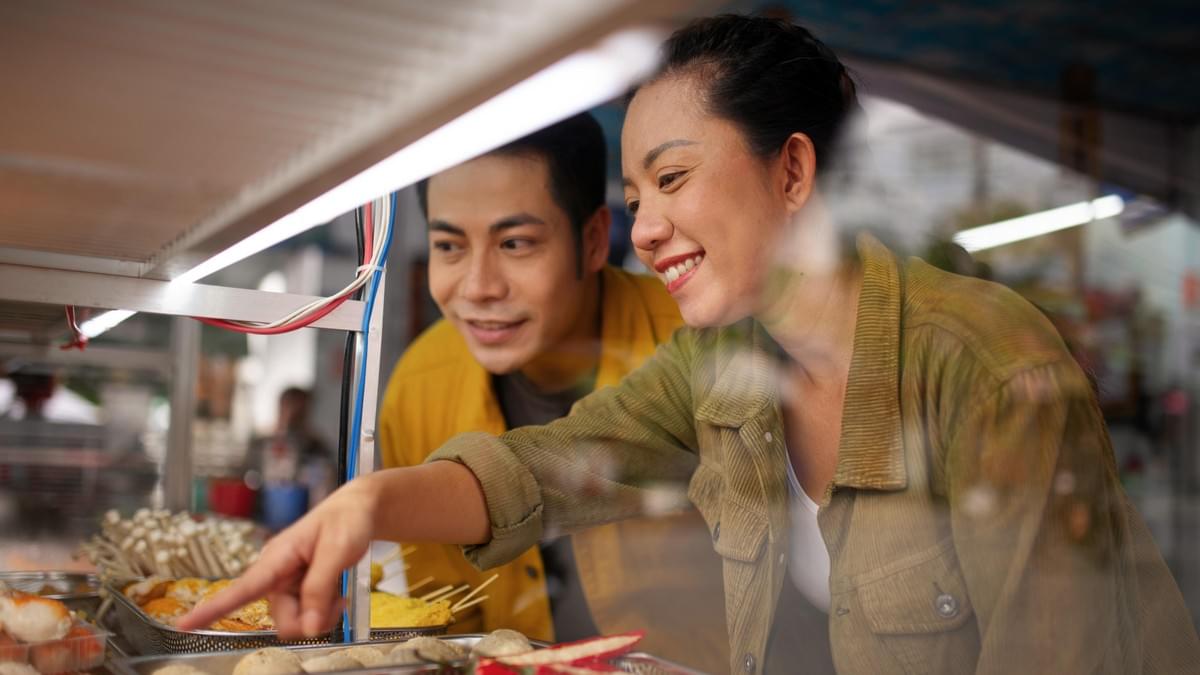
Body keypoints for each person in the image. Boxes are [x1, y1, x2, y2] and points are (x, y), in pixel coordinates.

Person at [182, 15, 1200, 674]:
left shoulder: (986, 368)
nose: (646, 229)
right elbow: (550, 468)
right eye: (634, 199)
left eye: (671, 180)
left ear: (792, 170)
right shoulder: (724, 368)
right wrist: (367, 501)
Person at [375, 113, 726, 666]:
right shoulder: (419, 386)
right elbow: (444, 617)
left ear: (591, 241)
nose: (479, 288)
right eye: (448, 247)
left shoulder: (698, 340)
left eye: (515, 243)